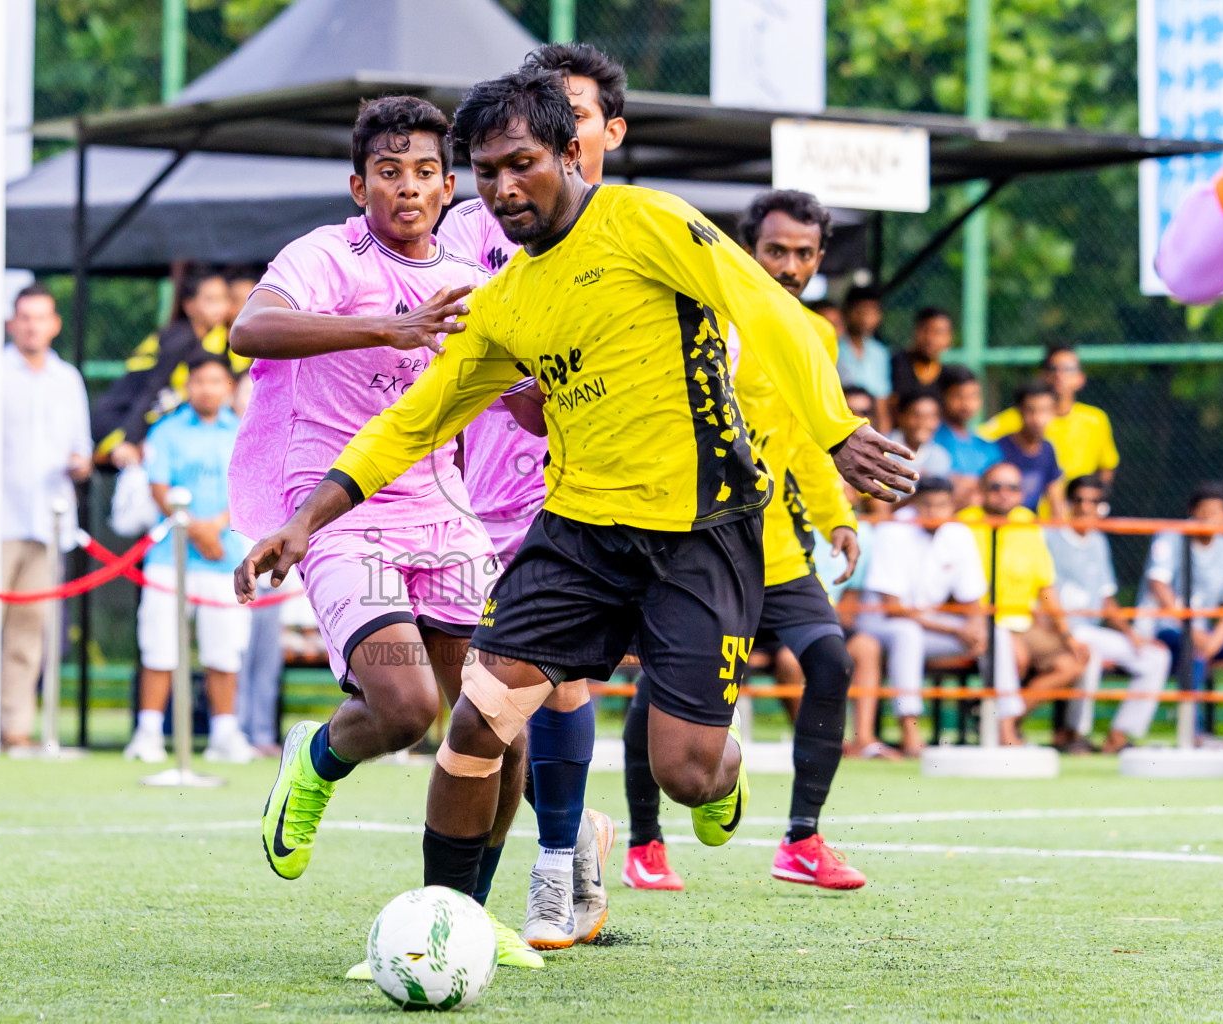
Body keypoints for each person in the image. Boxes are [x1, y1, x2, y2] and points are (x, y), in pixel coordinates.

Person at [234, 68, 913, 929]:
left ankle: (721, 770)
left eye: (521, 162)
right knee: (479, 721)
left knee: (686, 770)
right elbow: (416, 418)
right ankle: (443, 925)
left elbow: (765, 309)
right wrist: (303, 522)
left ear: (569, 150)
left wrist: (834, 430)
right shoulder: (508, 296)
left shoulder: (647, 221)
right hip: (580, 535)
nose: (505, 186)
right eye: (486, 171)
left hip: (701, 529)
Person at [224, 96, 539, 969]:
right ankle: (319, 757)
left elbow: (523, 406)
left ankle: (465, 920)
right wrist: (390, 325)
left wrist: (547, 381)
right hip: (337, 511)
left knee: (496, 722)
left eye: (427, 172)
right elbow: (253, 329)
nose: (409, 188)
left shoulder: (478, 280)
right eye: (390, 173)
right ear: (359, 184)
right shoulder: (326, 255)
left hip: (446, 514)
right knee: (406, 709)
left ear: (450, 188)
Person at [620, 187, 872, 894]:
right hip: (695, 543)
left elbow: (809, 443)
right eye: (775, 251)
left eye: (803, 254)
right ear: (745, 248)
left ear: (820, 259)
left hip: (775, 550)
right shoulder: (707, 314)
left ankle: (802, 839)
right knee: (657, 693)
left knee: (829, 661)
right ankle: (645, 842)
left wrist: (839, 520)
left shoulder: (815, 336)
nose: (789, 266)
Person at [437, 41, 626, 950]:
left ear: (600, 134)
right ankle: (570, 836)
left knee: (555, 683)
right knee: (491, 700)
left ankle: (554, 863)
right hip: (478, 486)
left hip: (582, 488)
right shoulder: (481, 228)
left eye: (578, 116)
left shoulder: (639, 233)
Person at [122, 354, 254, 765]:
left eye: (216, 381)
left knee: (223, 651)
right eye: (199, 381)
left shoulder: (245, 430)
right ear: (188, 386)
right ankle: (147, 734)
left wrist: (216, 528)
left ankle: (224, 735)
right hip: (169, 558)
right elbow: (159, 487)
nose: (208, 389)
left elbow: (248, 487)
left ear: (228, 388)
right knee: (159, 648)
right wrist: (198, 529)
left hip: (226, 559)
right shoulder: (165, 430)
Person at [0, 284, 92, 753]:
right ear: (12, 323)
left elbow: (84, 448)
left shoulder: (68, 378)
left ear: (54, 324)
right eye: (24, 317)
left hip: (49, 521)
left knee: (29, 630)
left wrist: (81, 462)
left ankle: (15, 728)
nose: (32, 325)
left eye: (41, 317)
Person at [852, 478, 988, 756]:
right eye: (927, 505)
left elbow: (973, 601)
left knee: (996, 635)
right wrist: (956, 631)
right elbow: (893, 608)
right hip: (880, 622)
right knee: (907, 634)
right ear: (914, 505)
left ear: (952, 507)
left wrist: (976, 627)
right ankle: (910, 731)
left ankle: (1004, 728)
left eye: (941, 506)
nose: (934, 512)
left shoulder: (959, 533)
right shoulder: (893, 530)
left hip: (930, 624)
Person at [958, 462, 1088, 745]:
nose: (1004, 493)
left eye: (1012, 487)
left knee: (1074, 662)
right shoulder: (963, 524)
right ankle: (1005, 734)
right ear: (981, 491)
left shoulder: (1028, 523)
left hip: (1024, 622)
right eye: (996, 487)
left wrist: (1067, 635)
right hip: (982, 621)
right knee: (1013, 654)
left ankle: (996, 720)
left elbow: (1045, 588)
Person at [1138, 483, 1223, 741]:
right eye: (1203, 511)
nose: (1209, 518)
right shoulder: (1171, 537)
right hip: (1168, 628)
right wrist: (1193, 630)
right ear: (1192, 512)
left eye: (1216, 512)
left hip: (1206, 634)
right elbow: (1159, 586)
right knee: (1194, 650)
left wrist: (1214, 640)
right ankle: (1194, 733)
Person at [1045, 476, 1171, 753]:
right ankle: (1075, 734)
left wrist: (1131, 634)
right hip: (1058, 627)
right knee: (1088, 653)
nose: (1086, 507)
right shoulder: (1050, 537)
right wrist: (1063, 632)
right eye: (1079, 500)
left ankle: (1120, 734)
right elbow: (1042, 591)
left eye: (1094, 501)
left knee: (1156, 656)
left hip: (1088, 629)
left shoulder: (1098, 542)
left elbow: (1105, 599)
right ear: (1068, 503)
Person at [91, 264, 238, 468]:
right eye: (210, 300)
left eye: (224, 299)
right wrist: (129, 441)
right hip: (118, 420)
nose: (220, 308)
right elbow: (150, 391)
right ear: (189, 305)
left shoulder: (212, 341)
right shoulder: (180, 339)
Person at [230, 372, 284, 759]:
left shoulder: (286, 438)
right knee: (232, 655)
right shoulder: (224, 438)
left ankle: (262, 732)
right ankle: (231, 732)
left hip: (277, 570)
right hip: (226, 564)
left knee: (266, 658)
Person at [982, 342, 1119, 490]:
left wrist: (1094, 503)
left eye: (1068, 369)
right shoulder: (1016, 417)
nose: (1059, 375)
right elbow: (979, 445)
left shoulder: (1096, 419)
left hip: (1078, 510)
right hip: (1027, 511)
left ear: (1080, 378)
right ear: (1042, 375)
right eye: (1053, 368)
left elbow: (1107, 467)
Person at [994, 381, 1067, 520]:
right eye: (1031, 410)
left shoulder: (1048, 449)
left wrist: (1061, 530)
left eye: (1045, 410)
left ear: (1054, 412)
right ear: (1019, 411)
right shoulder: (999, 449)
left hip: (1031, 527)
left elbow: (1055, 496)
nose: (1038, 419)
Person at [933, 365, 1000, 507]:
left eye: (973, 396)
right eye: (959, 396)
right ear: (942, 397)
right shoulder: (930, 441)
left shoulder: (988, 447)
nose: (967, 404)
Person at [836, 284, 891, 431]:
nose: (866, 318)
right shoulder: (834, 348)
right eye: (860, 311)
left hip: (870, 425)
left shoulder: (880, 353)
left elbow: (882, 402)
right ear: (847, 312)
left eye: (872, 312)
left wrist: (883, 435)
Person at [888, 307, 952, 417]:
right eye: (926, 330)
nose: (931, 339)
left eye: (939, 332)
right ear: (915, 331)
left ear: (949, 338)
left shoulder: (947, 376)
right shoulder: (897, 365)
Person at [888, 392, 952, 481]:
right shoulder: (883, 448)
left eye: (930, 417)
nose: (923, 423)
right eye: (916, 415)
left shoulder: (940, 456)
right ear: (901, 416)